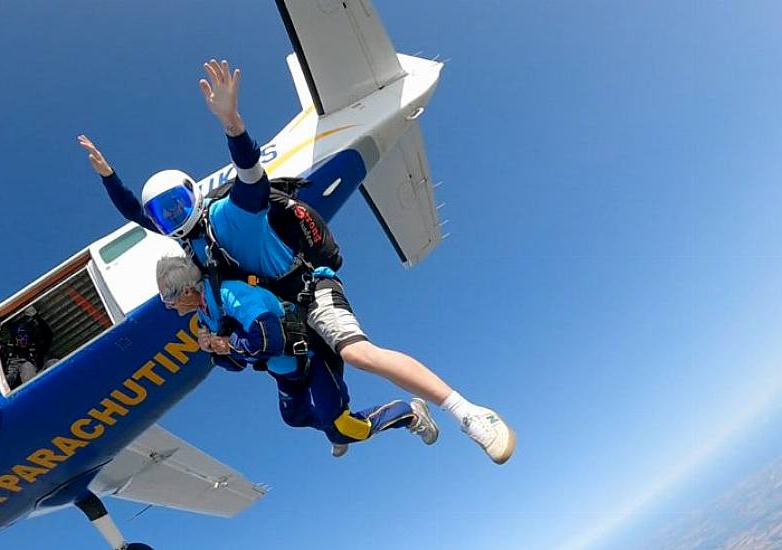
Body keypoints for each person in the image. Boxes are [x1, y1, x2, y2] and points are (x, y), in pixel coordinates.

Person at [79, 59, 514, 464]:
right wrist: (108, 178)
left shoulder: (230, 214)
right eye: (163, 214)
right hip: (286, 317)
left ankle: (467, 412)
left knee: (358, 353)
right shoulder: (194, 253)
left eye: (175, 206)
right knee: (303, 414)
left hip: (311, 287)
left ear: (193, 195)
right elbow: (137, 214)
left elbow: (250, 175)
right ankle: (339, 425)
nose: (170, 218)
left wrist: (232, 123)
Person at [156, 253, 437, 456]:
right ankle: (331, 423)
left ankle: (408, 412)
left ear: (185, 291)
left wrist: (226, 344)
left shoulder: (230, 294)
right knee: (295, 416)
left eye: (168, 299)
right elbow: (238, 364)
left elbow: (270, 340)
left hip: (312, 355)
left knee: (344, 428)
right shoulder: (205, 318)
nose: (168, 306)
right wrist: (213, 350)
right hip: (286, 371)